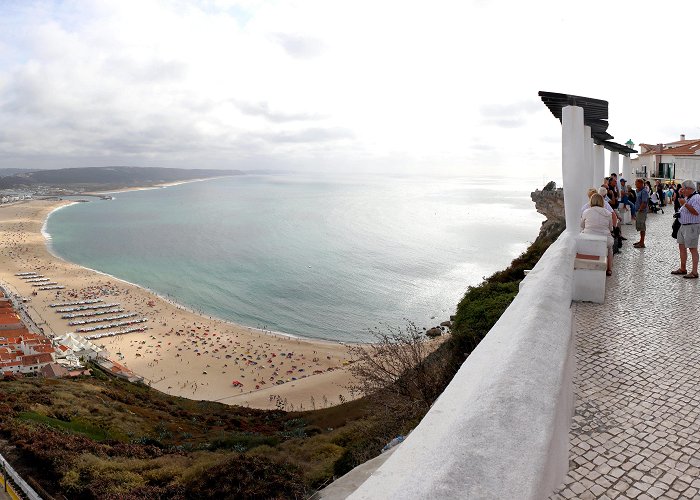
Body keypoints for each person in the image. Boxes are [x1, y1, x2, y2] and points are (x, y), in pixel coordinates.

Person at [672, 179, 700, 279]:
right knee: (681, 247)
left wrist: (684, 203)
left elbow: (696, 212)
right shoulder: (688, 197)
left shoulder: (696, 197)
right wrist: (682, 198)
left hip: (691, 226)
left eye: (683, 189)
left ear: (689, 189)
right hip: (683, 225)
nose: (682, 190)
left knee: (693, 249)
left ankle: (694, 272)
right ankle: (683, 268)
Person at [581, 193, 614, 276]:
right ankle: (609, 269)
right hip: (604, 239)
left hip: (588, 236)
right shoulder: (608, 213)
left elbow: (582, 225)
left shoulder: (586, 211)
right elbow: (611, 228)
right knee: (610, 248)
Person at [634, 178, 649, 248]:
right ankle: (641, 240)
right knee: (640, 227)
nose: (635, 184)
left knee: (642, 227)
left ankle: (642, 242)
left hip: (642, 211)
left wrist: (640, 209)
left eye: (636, 183)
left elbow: (644, 202)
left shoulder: (644, 191)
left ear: (640, 183)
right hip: (638, 210)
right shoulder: (638, 191)